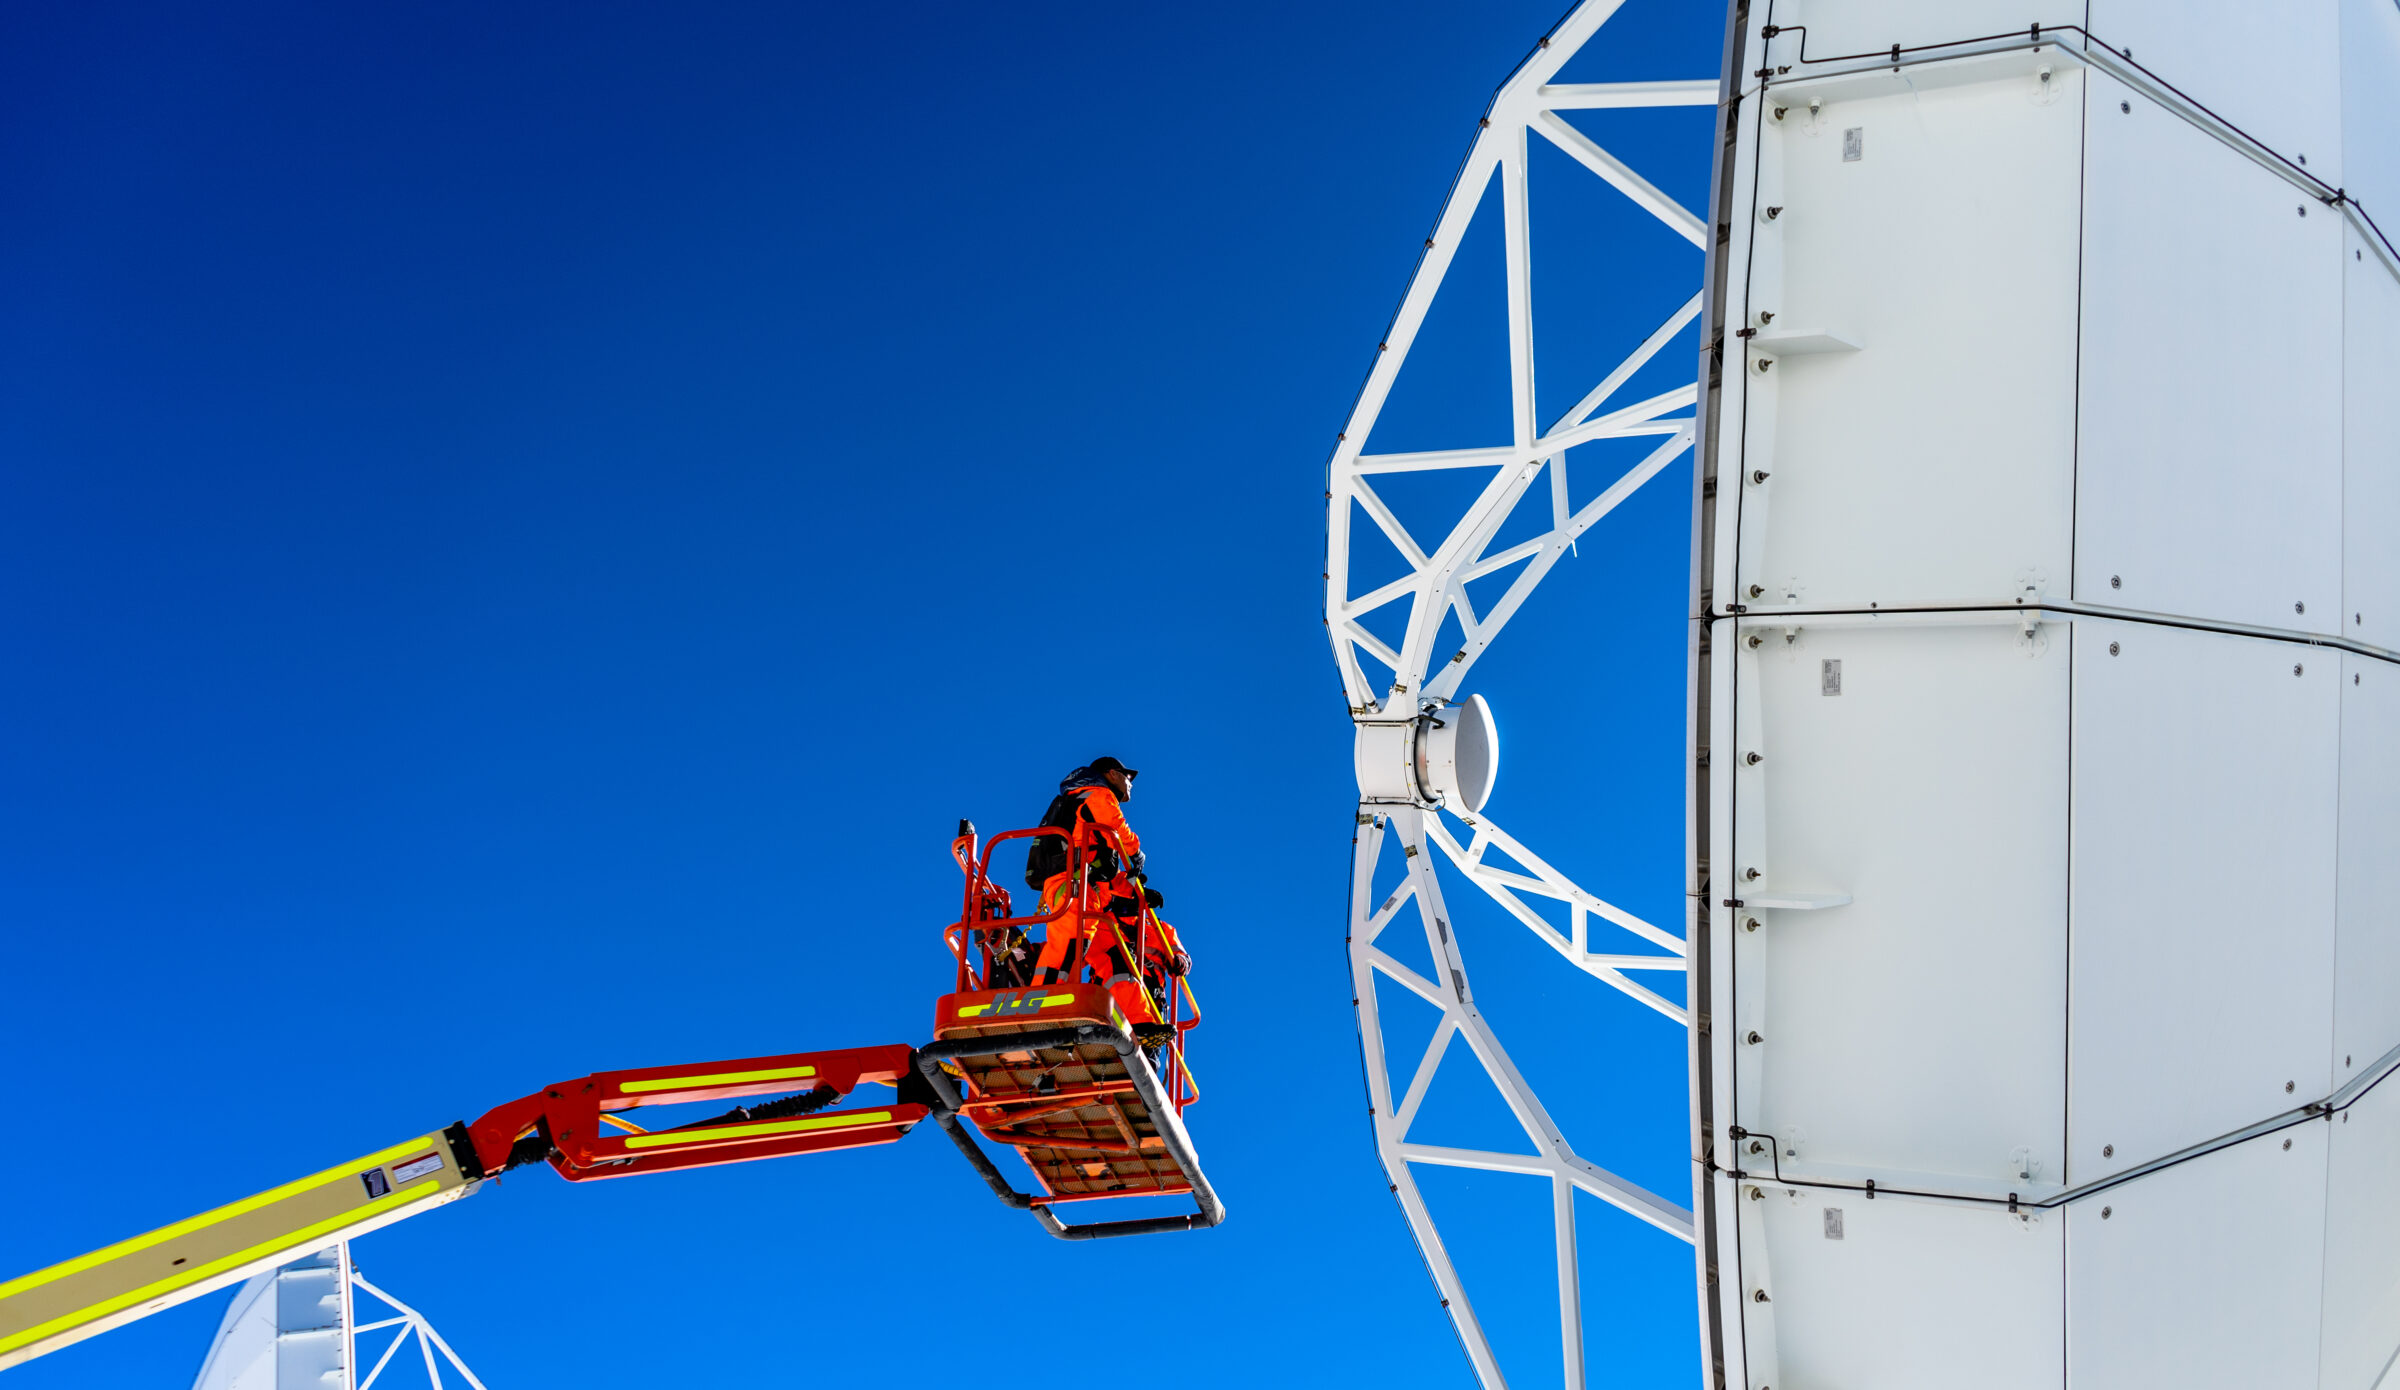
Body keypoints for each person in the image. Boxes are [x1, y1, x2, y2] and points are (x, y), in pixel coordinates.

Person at [1030, 758, 1185, 1041]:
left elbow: (1107, 871)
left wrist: (1134, 893)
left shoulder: (1084, 802)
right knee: (1069, 946)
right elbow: (1116, 827)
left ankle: (1137, 1023)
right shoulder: (1097, 793)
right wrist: (1135, 852)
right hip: (1072, 884)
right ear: (1112, 773)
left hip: (1088, 891)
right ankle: (1041, 1013)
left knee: (1109, 955)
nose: (1130, 783)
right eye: (1127, 777)